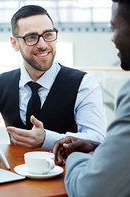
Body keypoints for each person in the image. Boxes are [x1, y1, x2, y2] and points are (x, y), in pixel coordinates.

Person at [0, 5, 107, 156]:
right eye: (31, 37)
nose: (42, 45)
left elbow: (97, 137)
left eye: (48, 34)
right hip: (13, 173)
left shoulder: (85, 84)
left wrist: (47, 139)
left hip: (64, 175)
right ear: (15, 43)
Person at [53, 1, 130, 196]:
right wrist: (96, 147)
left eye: (115, 27)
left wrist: (75, 156)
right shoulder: (0, 82)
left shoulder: (86, 83)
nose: (112, 38)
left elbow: (91, 190)